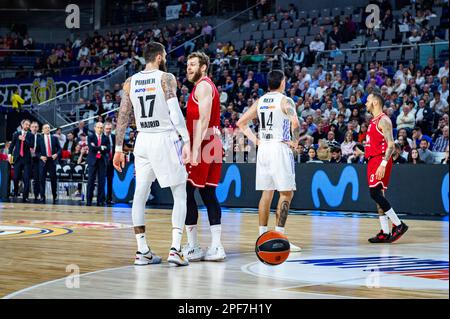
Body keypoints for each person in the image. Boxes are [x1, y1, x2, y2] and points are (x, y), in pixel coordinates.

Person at [113, 42, 191, 267]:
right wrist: (186, 139)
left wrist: (118, 149)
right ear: (158, 57)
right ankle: (176, 249)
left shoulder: (130, 82)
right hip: (164, 137)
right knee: (180, 193)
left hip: (142, 140)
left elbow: (123, 116)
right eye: (164, 55)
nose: (165, 58)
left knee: (140, 194)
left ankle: (142, 250)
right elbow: (175, 111)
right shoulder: (166, 78)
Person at [238, 69, 302, 252]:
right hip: (279, 147)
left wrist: (256, 140)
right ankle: (280, 237)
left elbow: (241, 123)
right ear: (282, 82)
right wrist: (296, 142)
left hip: (264, 148)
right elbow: (295, 123)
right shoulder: (285, 100)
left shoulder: (261, 101)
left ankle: (262, 237)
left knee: (267, 193)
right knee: (286, 193)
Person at [181, 51, 226, 262]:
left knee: (186, 192)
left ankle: (193, 246)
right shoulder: (202, 87)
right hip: (212, 143)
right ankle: (216, 246)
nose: (189, 68)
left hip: (205, 143)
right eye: (187, 65)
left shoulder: (203, 86)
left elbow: (204, 117)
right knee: (208, 195)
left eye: (192, 64)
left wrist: (196, 148)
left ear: (203, 67)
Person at [364, 93, 408, 243]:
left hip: (380, 159)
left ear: (375, 102)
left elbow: (391, 145)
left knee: (374, 193)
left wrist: (383, 163)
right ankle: (385, 232)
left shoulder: (384, 120)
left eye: (368, 100)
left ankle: (399, 224)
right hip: (372, 159)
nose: (366, 103)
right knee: (379, 197)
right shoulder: (373, 120)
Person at [9, 119, 33, 202]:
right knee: (15, 177)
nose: (27, 126)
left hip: (26, 159)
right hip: (17, 158)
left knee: (26, 178)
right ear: (22, 125)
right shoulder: (16, 134)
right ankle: (15, 192)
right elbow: (12, 145)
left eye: (28, 125)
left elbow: (31, 145)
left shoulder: (30, 135)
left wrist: (24, 140)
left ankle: (25, 196)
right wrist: (9, 155)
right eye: (26, 124)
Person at [36, 124, 61, 204]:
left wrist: (56, 154)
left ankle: (55, 196)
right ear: (43, 130)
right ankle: (42, 196)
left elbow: (60, 149)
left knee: (53, 179)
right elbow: (36, 152)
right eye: (45, 128)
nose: (47, 129)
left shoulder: (54, 138)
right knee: (42, 179)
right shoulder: (40, 138)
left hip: (52, 160)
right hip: (43, 160)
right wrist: (40, 157)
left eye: (48, 128)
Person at [86, 122, 110, 206]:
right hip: (93, 160)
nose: (100, 129)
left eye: (101, 127)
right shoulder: (90, 137)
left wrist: (97, 147)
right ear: (95, 128)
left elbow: (108, 149)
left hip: (102, 161)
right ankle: (89, 200)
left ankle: (100, 200)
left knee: (102, 181)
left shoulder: (106, 138)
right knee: (90, 181)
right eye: (98, 127)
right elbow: (91, 147)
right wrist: (101, 147)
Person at [104, 122, 116, 205]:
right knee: (101, 181)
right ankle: (101, 198)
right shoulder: (102, 137)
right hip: (103, 162)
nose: (108, 130)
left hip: (111, 161)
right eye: (107, 129)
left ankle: (109, 198)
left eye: (110, 129)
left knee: (110, 180)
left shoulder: (113, 137)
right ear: (104, 129)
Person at [29, 121, 41, 201]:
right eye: (33, 126)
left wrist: (37, 154)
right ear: (30, 128)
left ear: (38, 128)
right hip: (27, 159)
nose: (34, 128)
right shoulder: (26, 136)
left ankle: (36, 195)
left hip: (37, 160)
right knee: (26, 177)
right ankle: (25, 194)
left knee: (37, 178)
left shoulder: (41, 137)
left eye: (36, 127)